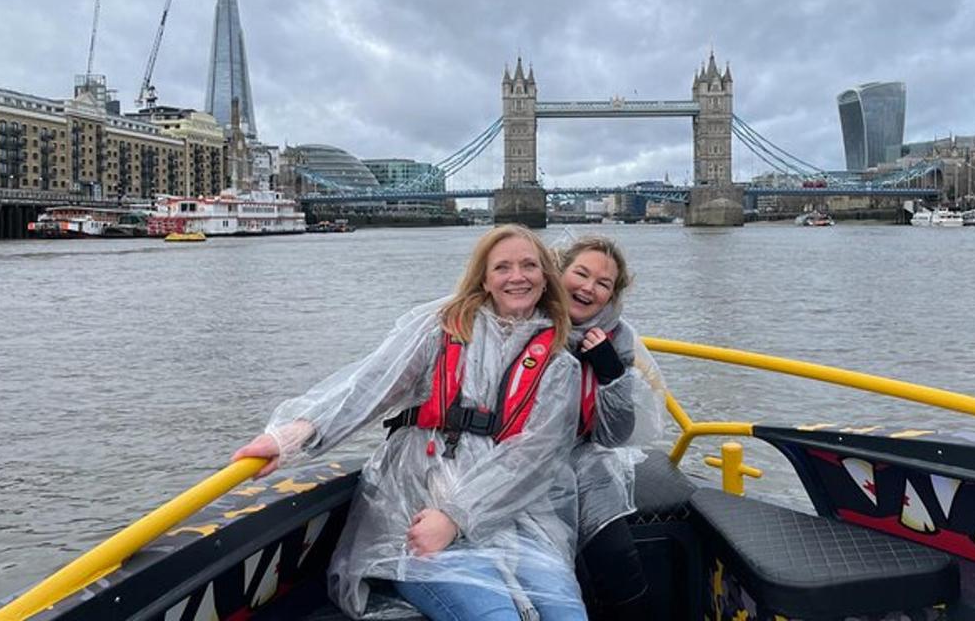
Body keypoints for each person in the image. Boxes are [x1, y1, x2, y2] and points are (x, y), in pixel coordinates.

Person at [232, 225, 587, 620]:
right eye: (502, 267)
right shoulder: (442, 329)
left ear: (545, 277)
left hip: (513, 515)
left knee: (566, 613)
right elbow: (370, 385)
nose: (517, 277)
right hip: (418, 505)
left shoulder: (559, 363)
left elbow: (534, 456)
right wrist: (291, 437)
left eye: (529, 266)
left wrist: (457, 515)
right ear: (484, 280)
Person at [557, 236, 666, 620]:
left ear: (612, 295)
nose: (588, 287)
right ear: (559, 273)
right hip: (521, 463)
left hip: (584, 458)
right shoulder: (524, 320)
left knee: (618, 560)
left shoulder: (618, 340)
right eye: (581, 274)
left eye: (603, 283)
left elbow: (617, 435)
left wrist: (611, 373)